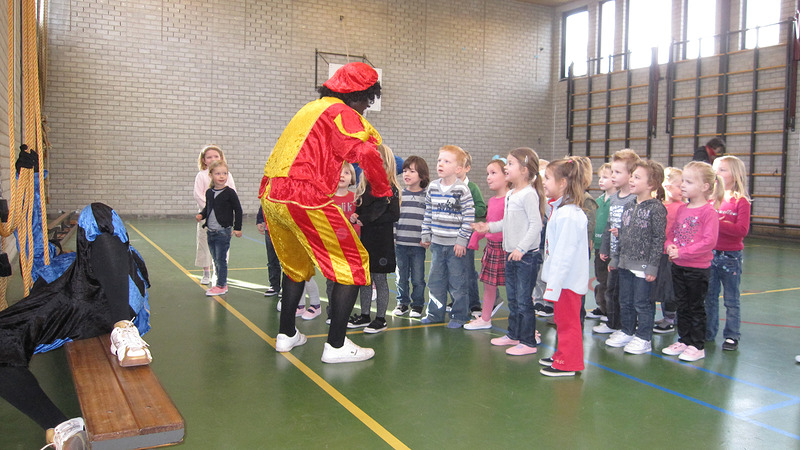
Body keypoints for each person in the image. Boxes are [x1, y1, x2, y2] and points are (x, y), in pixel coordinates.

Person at [260, 61, 390, 363]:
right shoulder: (340, 112)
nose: (366, 108)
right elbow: (367, 152)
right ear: (360, 95)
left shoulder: (309, 109)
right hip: (304, 197)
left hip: (271, 195)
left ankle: (287, 334)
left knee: (295, 266)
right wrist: (382, 192)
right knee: (353, 264)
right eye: (368, 100)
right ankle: (336, 345)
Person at [0, 203, 151, 449]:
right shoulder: (46, 266)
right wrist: (29, 172)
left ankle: (123, 329)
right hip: (62, 312)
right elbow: (32, 233)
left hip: (109, 295)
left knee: (96, 212)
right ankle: (62, 427)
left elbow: (105, 237)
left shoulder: (93, 257)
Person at [473, 148, 544, 355]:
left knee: (523, 300)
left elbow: (535, 225)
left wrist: (522, 248)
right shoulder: (512, 194)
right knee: (513, 298)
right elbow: (507, 222)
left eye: (511, 164)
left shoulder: (529, 194)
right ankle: (513, 334)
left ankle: (529, 341)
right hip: (510, 253)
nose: (506, 167)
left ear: (523, 170)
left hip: (526, 256)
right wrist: (488, 227)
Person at [661, 161, 721, 362]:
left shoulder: (708, 212)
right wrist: (669, 246)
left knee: (695, 306)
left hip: (697, 269)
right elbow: (671, 234)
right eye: (682, 181)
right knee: (682, 305)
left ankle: (697, 345)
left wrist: (683, 252)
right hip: (678, 266)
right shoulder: (682, 209)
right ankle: (684, 340)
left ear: (705, 186)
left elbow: (708, 242)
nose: (683, 185)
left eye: (688, 182)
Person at [606, 160, 668, 354]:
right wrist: (616, 258)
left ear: (651, 184)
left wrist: (652, 266)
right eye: (631, 176)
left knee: (642, 302)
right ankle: (627, 330)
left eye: (637, 177)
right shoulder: (629, 205)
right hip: (625, 262)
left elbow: (658, 239)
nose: (631, 180)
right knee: (625, 300)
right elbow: (622, 234)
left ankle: (643, 337)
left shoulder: (656, 208)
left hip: (642, 266)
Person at [538, 158, 590, 377]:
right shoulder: (560, 210)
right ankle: (563, 354)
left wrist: (553, 285)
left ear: (563, 183)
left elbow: (564, 255)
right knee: (562, 321)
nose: (544, 182)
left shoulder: (569, 215)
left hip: (567, 282)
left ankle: (569, 363)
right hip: (562, 281)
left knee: (569, 324)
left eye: (548, 178)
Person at [420, 145, 475, 328]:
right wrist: (426, 233)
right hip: (436, 244)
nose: (440, 164)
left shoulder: (462, 190)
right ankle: (435, 313)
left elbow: (469, 217)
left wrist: (461, 241)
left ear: (458, 169)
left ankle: (459, 315)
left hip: (454, 246)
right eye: (439, 160)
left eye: (446, 161)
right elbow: (428, 212)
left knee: (457, 282)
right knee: (436, 281)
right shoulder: (433, 187)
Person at [348, 144, 401, 333]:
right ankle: (364, 315)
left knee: (379, 278)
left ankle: (380, 318)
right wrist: (356, 216)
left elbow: (393, 215)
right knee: (365, 278)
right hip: (366, 241)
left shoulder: (390, 188)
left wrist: (366, 220)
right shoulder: (365, 186)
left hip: (382, 242)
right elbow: (362, 210)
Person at [705, 155, 751, 351]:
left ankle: (732, 335)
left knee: (731, 299)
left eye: (722, 169)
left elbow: (741, 230)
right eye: (715, 169)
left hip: (730, 256)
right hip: (711, 254)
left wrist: (718, 223)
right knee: (710, 296)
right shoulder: (711, 199)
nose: (717, 173)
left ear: (735, 174)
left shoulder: (741, 201)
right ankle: (708, 331)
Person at [596, 149, 641, 335]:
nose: (613, 175)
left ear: (630, 175)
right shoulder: (614, 199)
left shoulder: (635, 200)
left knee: (627, 295)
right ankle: (614, 323)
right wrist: (605, 248)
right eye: (612, 171)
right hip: (615, 255)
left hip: (629, 257)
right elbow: (609, 225)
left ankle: (628, 326)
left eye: (617, 172)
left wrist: (622, 233)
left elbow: (639, 231)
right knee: (612, 291)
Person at [464, 156, 510, 330]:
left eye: (493, 173)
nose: (488, 177)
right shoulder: (491, 201)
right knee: (489, 286)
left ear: (506, 176)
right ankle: (485, 318)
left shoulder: (511, 200)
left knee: (514, 289)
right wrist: (476, 237)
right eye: (487, 173)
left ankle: (524, 324)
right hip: (492, 249)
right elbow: (488, 225)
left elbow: (505, 226)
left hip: (507, 249)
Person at [196, 160, 243, 296]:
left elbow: (238, 210)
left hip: (223, 231)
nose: (222, 176)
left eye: (224, 173)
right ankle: (221, 282)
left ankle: (221, 285)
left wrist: (237, 227)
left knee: (221, 259)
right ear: (211, 175)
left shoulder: (230, 193)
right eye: (218, 173)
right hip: (211, 231)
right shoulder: (210, 192)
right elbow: (208, 208)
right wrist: (201, 214)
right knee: (215, 258)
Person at [392, 156, 430, 318]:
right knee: (401, 276)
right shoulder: (400, 194)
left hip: (418, 245)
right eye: (405, 170)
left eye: (412, 171)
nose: (406, 174)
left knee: (417, 278)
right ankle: (402, 303)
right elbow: (394, 218)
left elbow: (429, 219)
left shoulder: (427, 197)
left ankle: (417, 304)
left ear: (421, 175)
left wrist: (427, 237)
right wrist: (393, 237)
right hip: (400, 243)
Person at [193, 145, 236, 285]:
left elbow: (232, 193)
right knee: (205, 244)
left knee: (222, 247)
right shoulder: (201, 175)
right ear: (204, 160)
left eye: (216, 156)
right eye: (209, 157)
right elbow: (198, 195)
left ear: (221, 158)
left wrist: (222, 208)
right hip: (206, 217)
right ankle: (206, 272)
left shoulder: (227, 175)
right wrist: (209, 208)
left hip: (223, 218)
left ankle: (219, 273)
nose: (212, 159)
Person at [653, 167, 684, 333]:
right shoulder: (661, 206)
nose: (682, 189)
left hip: (672, 254)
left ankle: (670, 318)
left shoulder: (682, 207)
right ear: (667, 186)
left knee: (671, 287)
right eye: (679, 185)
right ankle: (667, 316)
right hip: (660, 252)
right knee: (663, 286)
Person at [586, 163, 614, 321]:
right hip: (598, 246)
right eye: (600, 177)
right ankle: (601, 306)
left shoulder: (616, 201)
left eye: (606, 177)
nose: (601, 181)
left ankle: (609, 310)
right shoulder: (599, 200)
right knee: (601, 278)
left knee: (610, 281)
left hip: (610, 247)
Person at [461, 151, 487, 317]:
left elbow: (482, 208)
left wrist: (465, 209)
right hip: (450, 236)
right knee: (453, 272)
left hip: (467, 237)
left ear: (466, 168)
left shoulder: (472, 188)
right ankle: (457, 300)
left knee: (468, 270)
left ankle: (474, 304)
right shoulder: (445, 187)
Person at [256, 208, 282, 297]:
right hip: (270, 230)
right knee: (272, 260)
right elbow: (263, 203)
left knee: (287, 261)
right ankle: (274, 286)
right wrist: (259, 220)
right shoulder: (267, 193)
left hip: (285, 230)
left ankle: (287, 288)